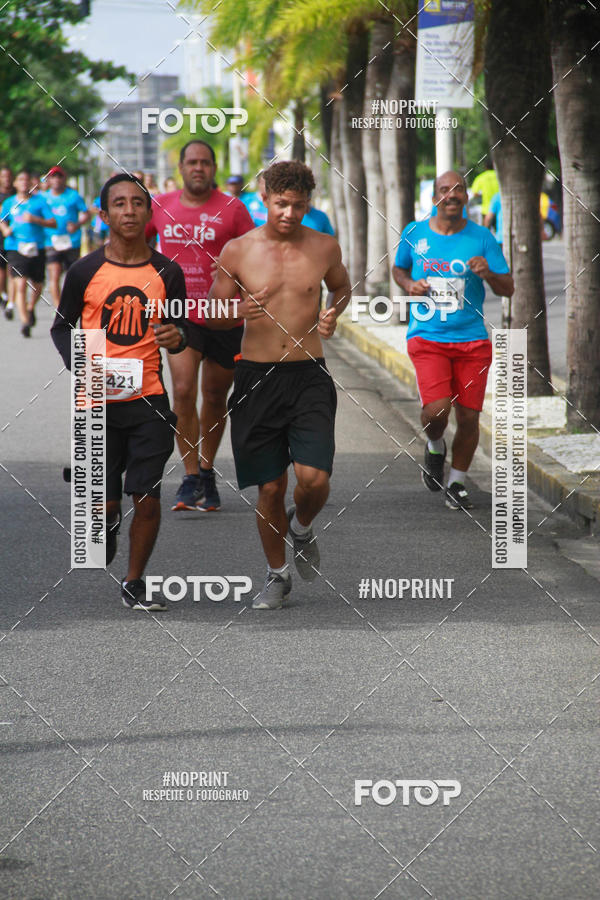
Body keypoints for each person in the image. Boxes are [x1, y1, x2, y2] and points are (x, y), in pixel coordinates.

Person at [207, 160, 351, 610]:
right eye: (281, 204)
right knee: (269, 488)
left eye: (299, 206)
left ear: (309, 203)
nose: (290, 213)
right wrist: (237, 312)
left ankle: (302, 527)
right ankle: (276, 575)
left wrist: (333, 312)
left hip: (308, 373)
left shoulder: (325, 246)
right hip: (256, 377)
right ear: (265, 197)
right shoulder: (238, 250)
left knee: (315, 478)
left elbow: (342, 288)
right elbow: (214, 309)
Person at [51, 174, 187, 611]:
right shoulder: (84, 271)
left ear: (149, 212)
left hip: (149, 399)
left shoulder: (168, 271)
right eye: (120, 204)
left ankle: (134, 582)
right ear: (104, 214)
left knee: (146, 495)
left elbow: (183, 330)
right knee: (106, 504)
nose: (129, 211)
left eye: (137, 203)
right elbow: (61, 328)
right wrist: (83, 367)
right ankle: (105, 520)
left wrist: (176, 337)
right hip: (96, 403)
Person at [393, 170, 514, 510]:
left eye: (458, 189)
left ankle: (457, 482)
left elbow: (509, 288)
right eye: (444, 190)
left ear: (466, 196)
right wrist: (408, 285)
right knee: (437, 410)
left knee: (470, 417)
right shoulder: (415, 232)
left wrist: (488, 273)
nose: (452, 195)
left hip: (472, 340)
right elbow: (399, 268)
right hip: (428, 336)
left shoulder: (482, 237)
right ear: (435, 196)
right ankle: (435, 447)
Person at [146, 139, 254, 512]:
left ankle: (207, 471)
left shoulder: (233, 208)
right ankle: (190, 476)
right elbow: (135, 243)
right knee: (182, 388)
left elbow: (256, 254)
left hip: (223, 316)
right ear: (180, 167)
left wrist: (235, 272)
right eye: (192, 162)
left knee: (213, 396)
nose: (198, 168)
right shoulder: (160, 205)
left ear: (214, 168)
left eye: (205, 163)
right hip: (179, 313)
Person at [0, 170, 56, 337]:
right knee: (20, 284)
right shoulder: (10, 202)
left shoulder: (40, 202)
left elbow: (53, 223)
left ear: (32, 184)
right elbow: (2, 220)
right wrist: (5, 229)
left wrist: (36, 220)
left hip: (36, 247)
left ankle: (31, 308)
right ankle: (25, 322)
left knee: (38, 284)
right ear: (15, 184)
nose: (24, 183)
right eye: (20, 180)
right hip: (16, 247)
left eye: (27, 180)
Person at [44, 165, 90, 307]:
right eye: (53, 177)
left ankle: (73, 304)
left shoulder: (73, 196)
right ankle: (58, 309)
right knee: (55, 274)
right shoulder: (44, 197)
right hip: (51, 241)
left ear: (64, 179)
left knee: (72, 275)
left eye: (59, 176)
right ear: (49, 180)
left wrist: (77, 224)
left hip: (71, 241)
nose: (56, 179)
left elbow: (86, 213)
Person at [0, 165, 14, 314]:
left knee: (12, 269)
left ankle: (10, 298)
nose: (7, 179)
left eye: (9, 176)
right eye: (4, 176)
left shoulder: (17, 195)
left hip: (14, 238)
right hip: (0, 237)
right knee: (1, 269)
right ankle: (3, 294)